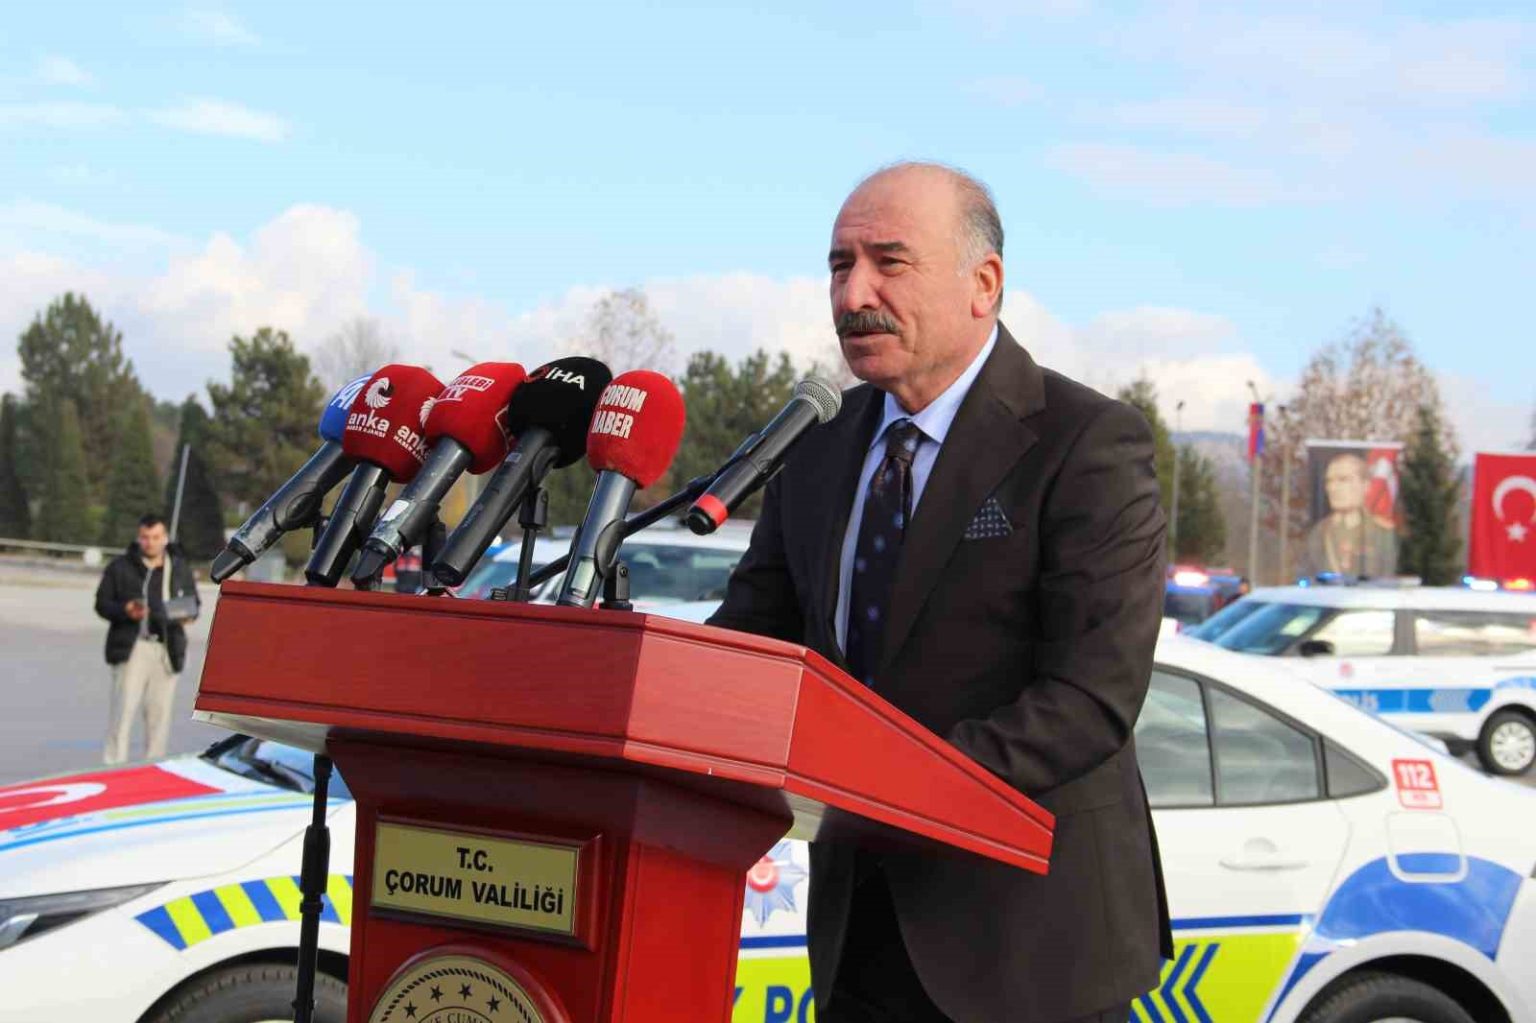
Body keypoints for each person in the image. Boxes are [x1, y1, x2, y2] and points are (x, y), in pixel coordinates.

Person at [709, 163, 1170, 1023]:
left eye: (889, 262)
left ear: (983, 284)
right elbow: (749, 644)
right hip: (858, 935)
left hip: (1030, 950)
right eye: (839, 265)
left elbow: (1091, 698)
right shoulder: (816, 445)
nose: (854, 294)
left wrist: (888, 785)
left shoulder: (1086, 442)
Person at [94, 512, 201, 764]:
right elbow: (102, 604)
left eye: (155, 537)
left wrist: (186, 614)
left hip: (166, 649)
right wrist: (125, 610)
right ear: (138, 537)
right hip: (133, 648)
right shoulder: (120, 567)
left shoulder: (179, 567)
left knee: (158, 716)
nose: (150, 542)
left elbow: (194, 603)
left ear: (165, 538)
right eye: (145, 537)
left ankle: (153, 766)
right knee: (122, 713)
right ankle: (113, 766)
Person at [1303, 452, 1398, 578]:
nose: (1333, 488)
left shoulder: (1382, 532)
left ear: (1366, 485)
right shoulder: (1319, 533)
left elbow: (1388, 575)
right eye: (1329, 481)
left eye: (1343, 480)